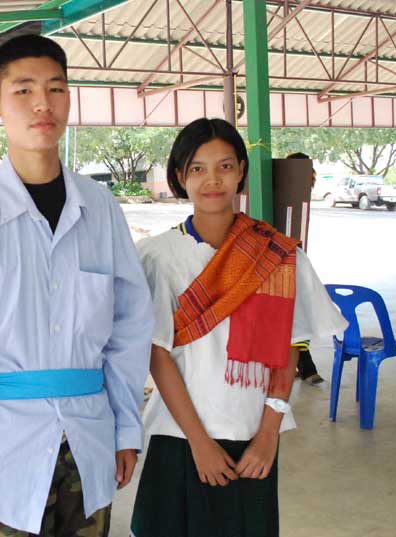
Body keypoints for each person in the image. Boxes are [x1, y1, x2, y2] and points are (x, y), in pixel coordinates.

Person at [0, 34, 154, 537]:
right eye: (24, 90)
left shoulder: (100, 209)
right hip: (3, 449)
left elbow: (129, 327)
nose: (42, 104)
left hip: (90, 438)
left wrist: (126, 426)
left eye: (56, 88)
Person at [131, 118, 347, 537]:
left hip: (252, 439)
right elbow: (157, 354)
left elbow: (288, 349)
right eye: (197, 168)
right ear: (180, 176)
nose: (212, 180)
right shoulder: (157, 257)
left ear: (241, 171)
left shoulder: (278, 255)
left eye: (225, 166)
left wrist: (268, 436)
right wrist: (199, 443)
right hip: (178, 436)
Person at [286, 152, 324, 385]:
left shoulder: (296, 196)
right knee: (295, 316)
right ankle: (306, 367)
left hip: (295, 261)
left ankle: (305, 366)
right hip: (285, 262)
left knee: (298, 315)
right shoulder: (285, 193)